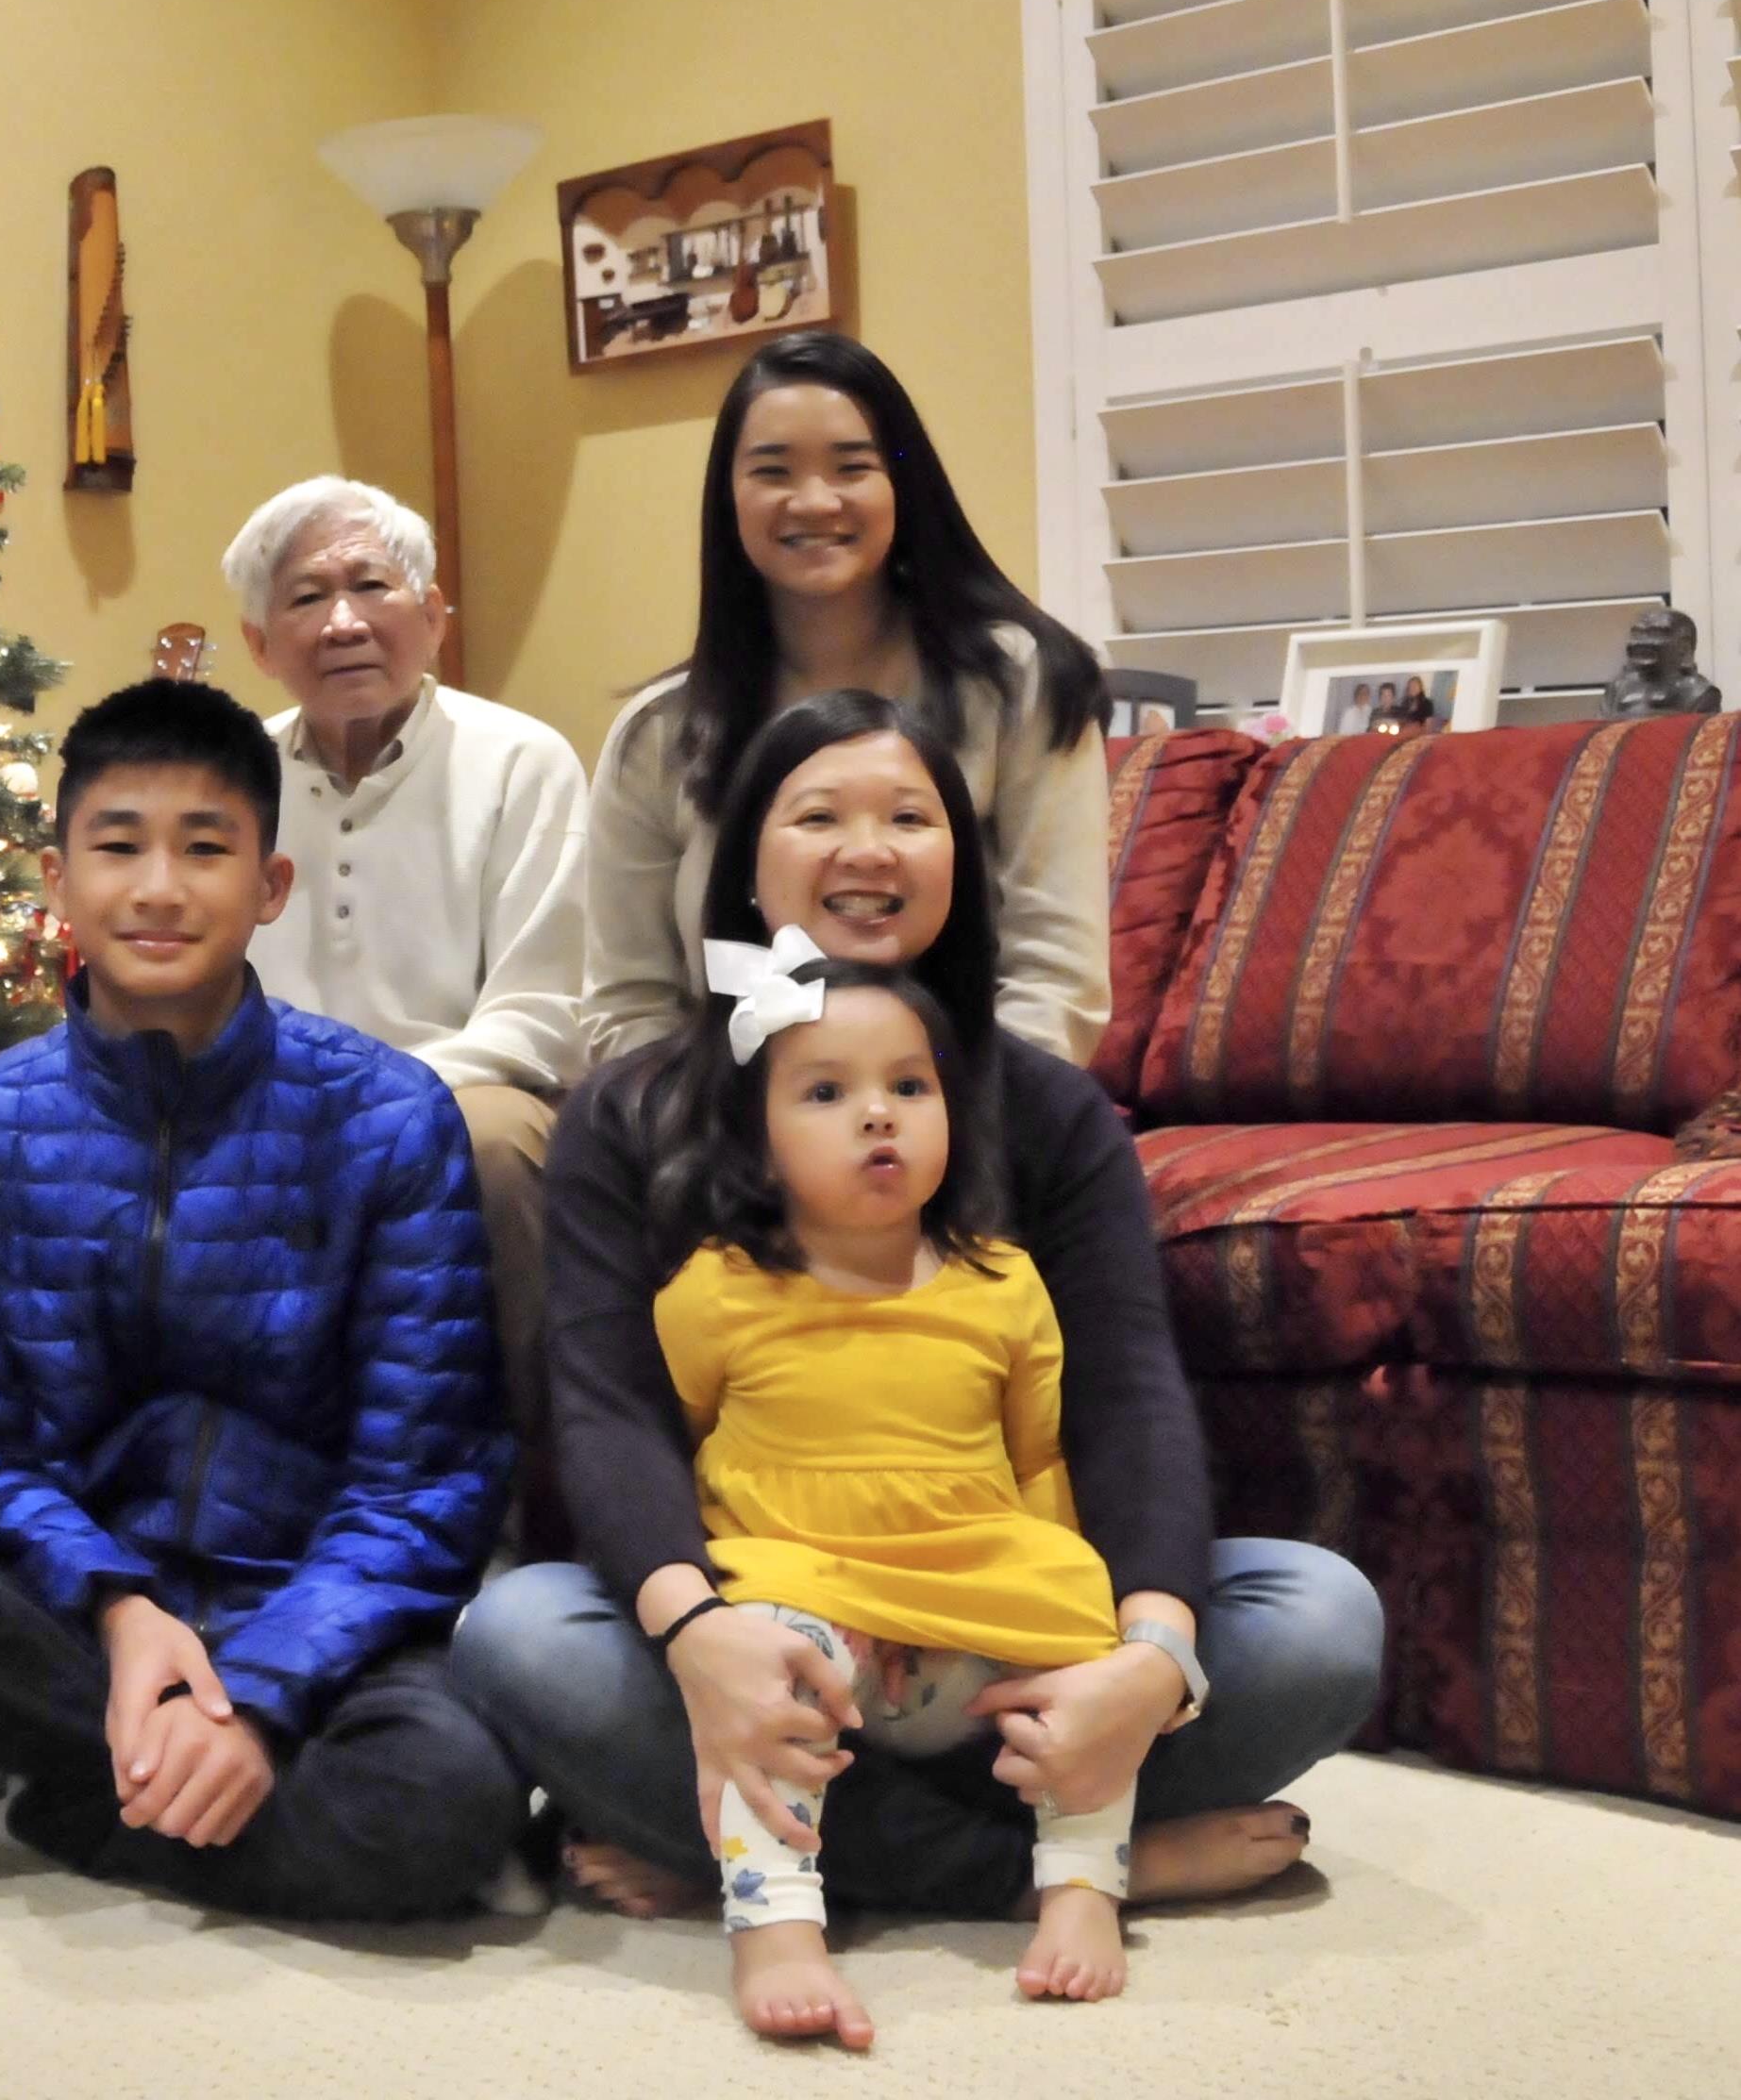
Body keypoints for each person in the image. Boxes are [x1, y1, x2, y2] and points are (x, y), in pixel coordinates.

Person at [453, 693, 1383, 2047]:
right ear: (745, 862)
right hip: (769, 1626)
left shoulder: (1046, 1110)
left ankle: (767, 1860)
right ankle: (1057, 1869)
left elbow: (1120, 1392)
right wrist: (697, 1635)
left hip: (1002, 1633)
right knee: (520, 1635)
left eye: (909, 817)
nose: (865, 850)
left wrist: (1150, 1662)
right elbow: (606, 1408)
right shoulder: (630, 1111)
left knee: (1319, 1616)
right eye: (816, 816)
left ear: (965, 859)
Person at [0, 678, 526, 1925]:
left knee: (443, 1804)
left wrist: (261, 1697)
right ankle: (152, 1766)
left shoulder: (385, 1115)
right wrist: (119, 1610)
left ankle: (64, 1796)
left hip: (311, 1604)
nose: (158, 888)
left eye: (204, 848)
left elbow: (422, 1477)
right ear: (56, 878)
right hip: (69, 1609)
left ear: (268, 889)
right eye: (118, 846)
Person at [643, 949, 1137, 2039]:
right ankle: (774, 1922)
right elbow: (659, 1452)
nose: (878, 1116)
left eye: (908, 1088)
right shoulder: (716, 1290)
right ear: (755, 1139)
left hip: (972, 1607)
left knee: (1092, 1652)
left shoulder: (1001, 1280)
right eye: (826, 1092)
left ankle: (1079, 1888)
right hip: (804, 1599)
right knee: (760, 1665)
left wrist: (1051, 1610)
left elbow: (1038, 1458)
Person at [578, 334, 1113, 1071]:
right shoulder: (659, 735)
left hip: (973, 1126)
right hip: (725, 1144)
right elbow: (629, 1005)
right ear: (728, 500)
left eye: (851, 468)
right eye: (772, 472)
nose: (814, 501)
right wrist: (719, 1140)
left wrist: (947, 1124)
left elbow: (1055, 975)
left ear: (903, 484)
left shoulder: (1016, 684)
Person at [221, 475, 590, 1475]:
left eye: (369, 587)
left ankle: (532, 1486)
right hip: (271, 1104)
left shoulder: (520, 760)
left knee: (496, 1145)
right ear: (259, 645)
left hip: (468, 1100)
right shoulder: (230, 778)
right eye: (305, 597)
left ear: (430, 617)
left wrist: (378, 1106)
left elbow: (544, 1014)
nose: (341, 621)